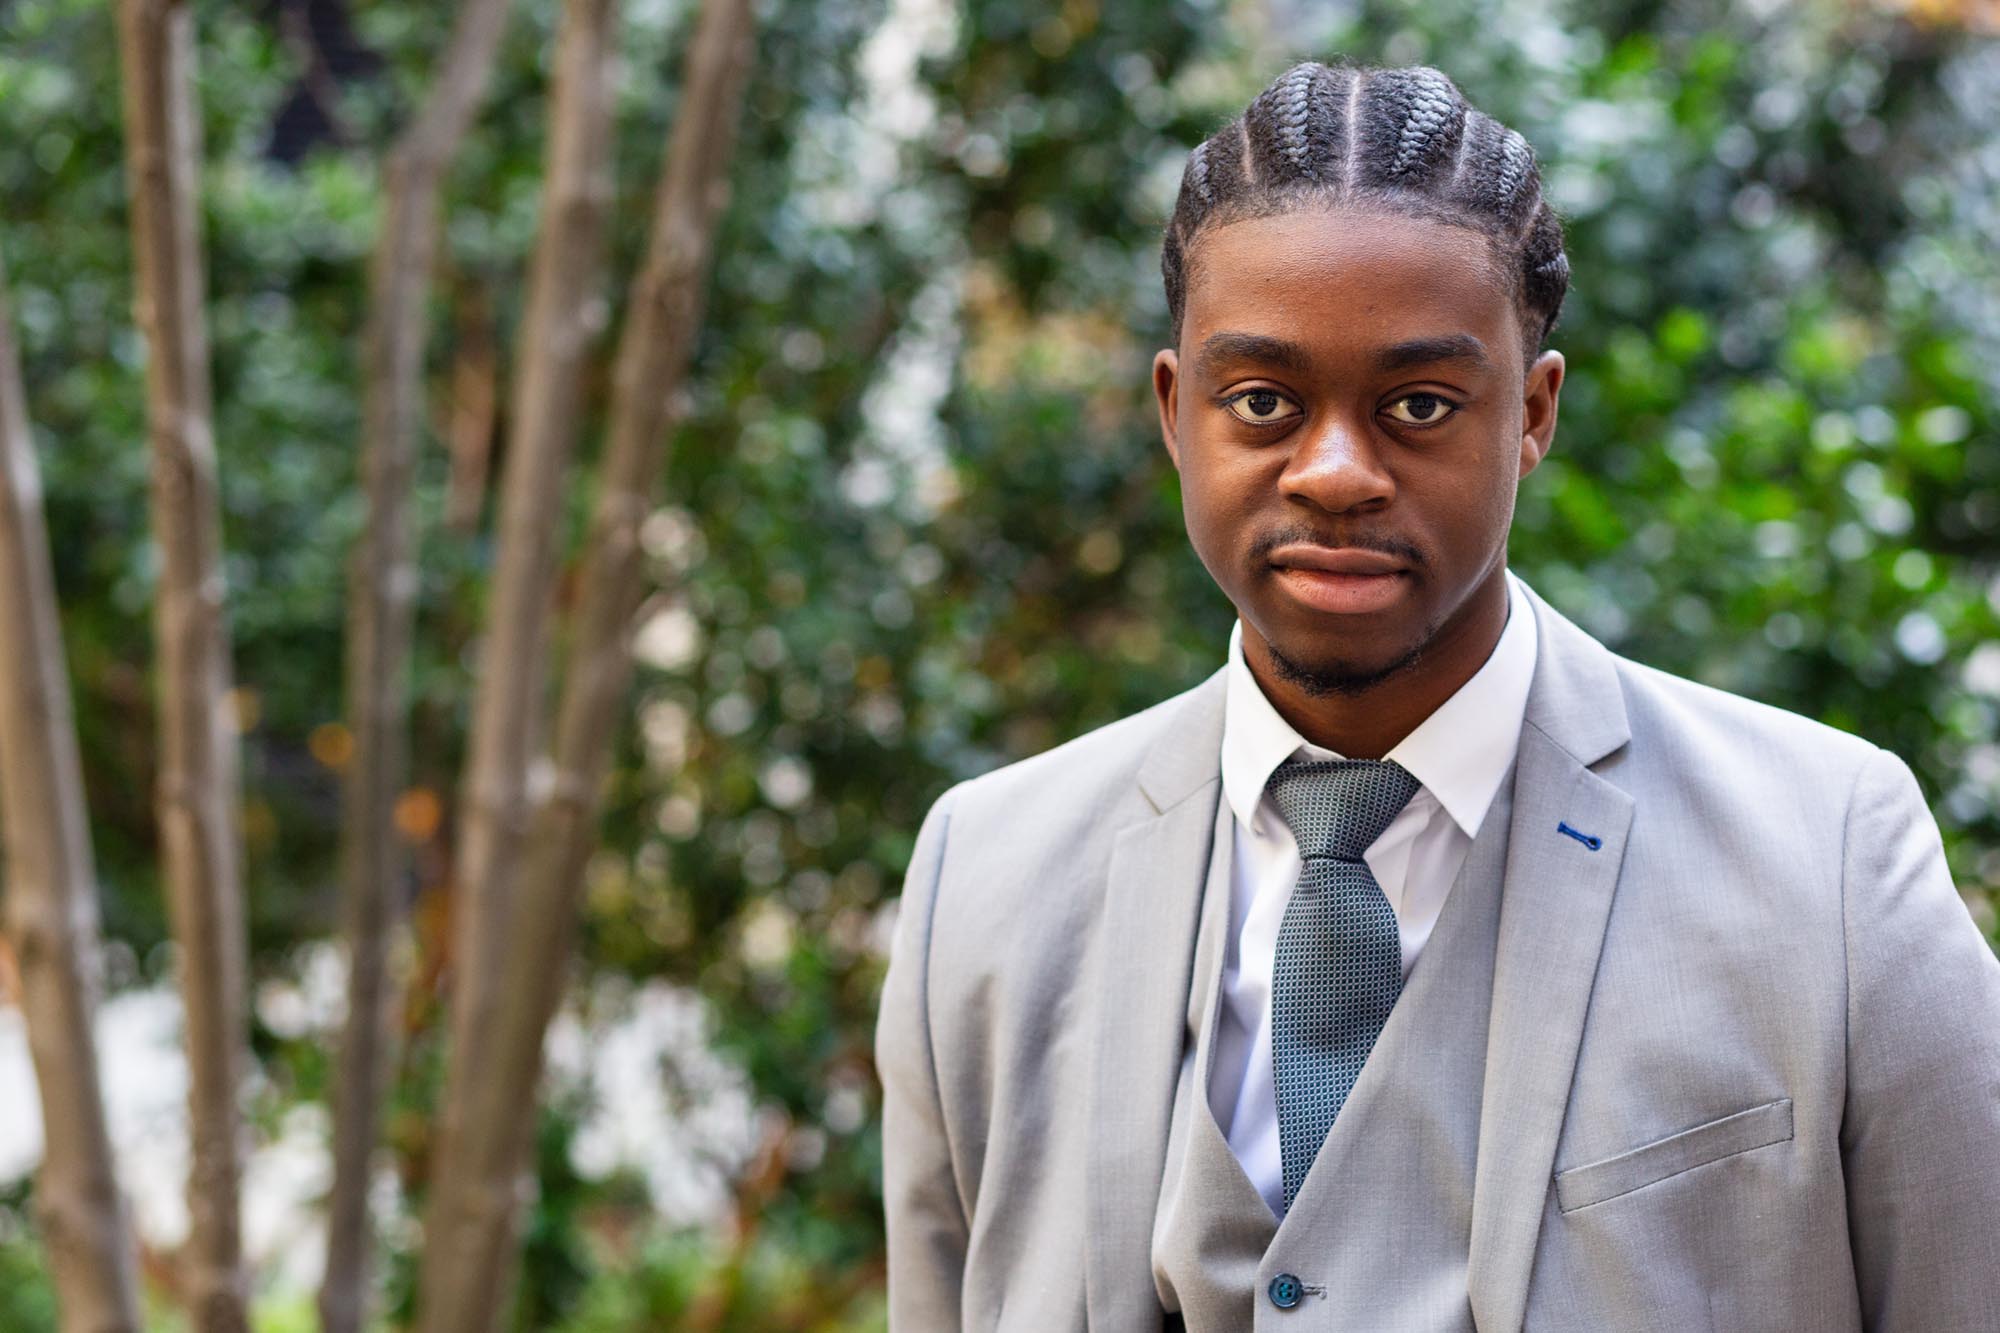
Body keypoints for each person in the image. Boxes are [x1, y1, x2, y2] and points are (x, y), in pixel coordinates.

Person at [874, 58, 2000, 1331]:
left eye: (1416, 404)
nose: (1337, 472)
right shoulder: (986, 875)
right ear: (1176, 413)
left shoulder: (1828, 856)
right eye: (1263, 403)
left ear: (1528, 413)